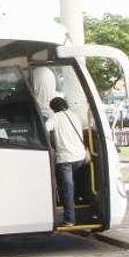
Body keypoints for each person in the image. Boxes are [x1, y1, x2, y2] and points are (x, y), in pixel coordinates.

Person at [46, 97, 87, 226]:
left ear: (53, 108)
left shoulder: (55, 117)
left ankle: (69, 219)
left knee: (67, 189)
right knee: (74, 186)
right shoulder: (75, 116)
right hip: (80, 157)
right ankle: (80, 213)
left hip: (65, 160)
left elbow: (45, 129)